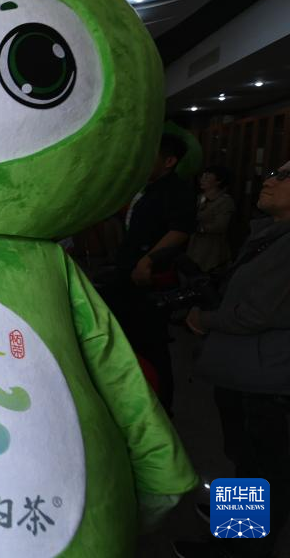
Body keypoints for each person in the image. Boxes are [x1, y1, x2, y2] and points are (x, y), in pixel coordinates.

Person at [173, 162, 290, 558]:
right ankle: (232, 535)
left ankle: (240, 548)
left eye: (285, 176)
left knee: (260, 467)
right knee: (247, 462)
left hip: (265, 379)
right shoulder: (271, 233)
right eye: (273, 173)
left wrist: (203, 318)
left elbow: (255, 314)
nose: (270, 180)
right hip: (248, 373)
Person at [101, 133, 196, 413]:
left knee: (151, 345)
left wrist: (148, 260)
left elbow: (180, 230)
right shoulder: (147, 188)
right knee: (127, 339)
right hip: (127, 273)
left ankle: (160, 407)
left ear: (169, 161)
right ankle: (131, 399)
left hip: (149, 279)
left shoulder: (176, 190)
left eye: (149, 155)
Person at [185, 165, 235, 273]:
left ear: (219, 181)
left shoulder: (224, 201)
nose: (202, 179)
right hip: (193, 246)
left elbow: (221, 225)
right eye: (202, 176)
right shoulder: (199, 198)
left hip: (211, 249)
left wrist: (199, 227)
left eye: (207, 177)